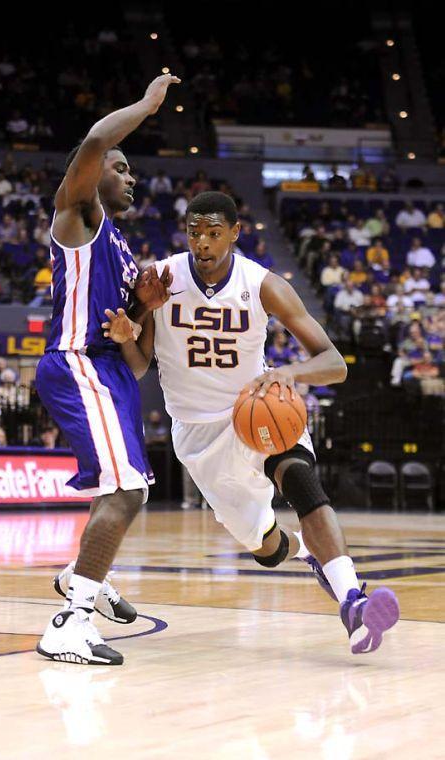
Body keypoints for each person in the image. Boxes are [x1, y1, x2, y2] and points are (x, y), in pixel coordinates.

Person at [97, 191, 399, 656]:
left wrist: (287, 373)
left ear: (235, 233)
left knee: (301, 481)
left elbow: (334, 362)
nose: (203, 243)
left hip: (259, 409)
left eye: (214, 233)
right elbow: (139, 368)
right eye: (195, 233)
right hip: (199, 433)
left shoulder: (263, 285)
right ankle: (305, 553)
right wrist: (127, 332)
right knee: (264, 546)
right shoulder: (161, 278)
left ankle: (353, 603)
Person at [35, 73, 180, 666]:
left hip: (112, 374)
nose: (130, 175)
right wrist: (147, 106)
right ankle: (69, 624)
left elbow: (140, 362)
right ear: (91, 174)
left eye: (129, 170)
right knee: (124, 490)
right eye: (119, 167)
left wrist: (144, 310)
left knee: (127, 491)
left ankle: (80, 576)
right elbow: (95, 139)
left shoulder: (121, 247)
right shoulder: (78, 215)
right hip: (77, 365)